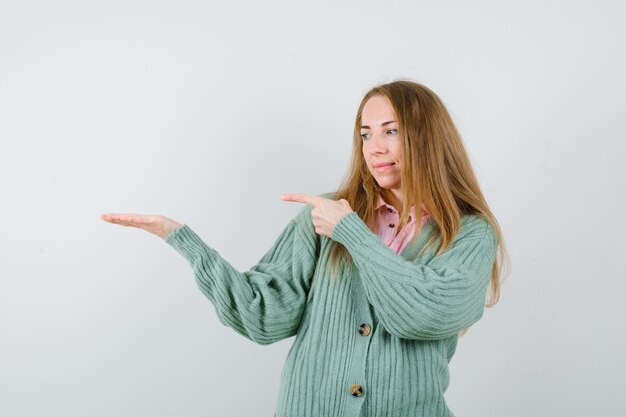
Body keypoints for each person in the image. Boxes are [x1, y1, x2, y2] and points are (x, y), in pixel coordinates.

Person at [101, 79, 508, 417]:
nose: (374, 148)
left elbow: (423, 313)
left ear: (427, 137)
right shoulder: (322, 219)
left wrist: (351, 233)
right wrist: (184, 241)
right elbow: (264, 316)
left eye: (391, 130)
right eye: (365, 134)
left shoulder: (469, 233)